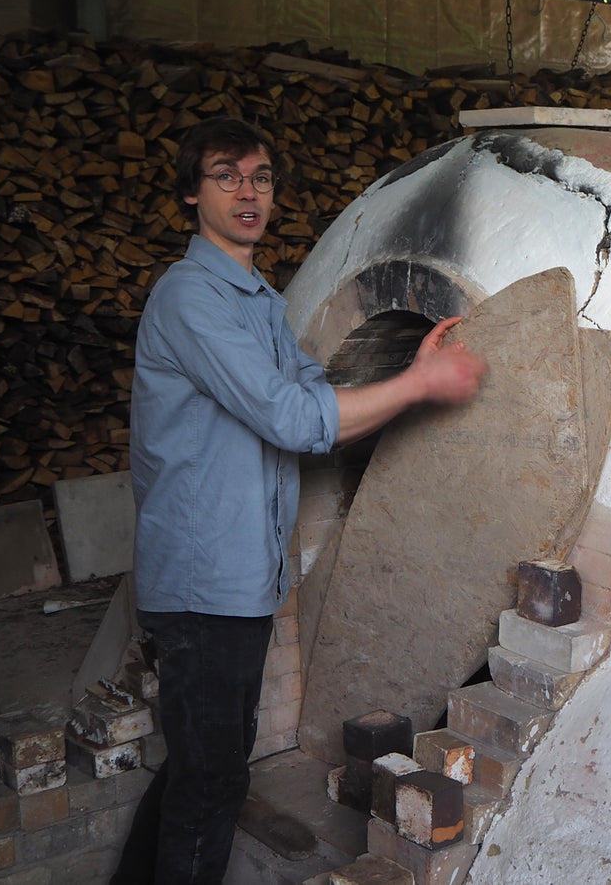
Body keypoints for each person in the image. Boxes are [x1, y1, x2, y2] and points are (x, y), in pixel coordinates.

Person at [110, 117, 486, 884]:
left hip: (237, 580)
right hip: (201, 584)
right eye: (226, 175)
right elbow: (292, 419)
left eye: (261, 178)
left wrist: (402, 372)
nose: (249, 193)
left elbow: (314, 400)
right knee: (214, 777)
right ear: (192, 193)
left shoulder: (257, 300)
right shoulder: (191, 298)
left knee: (202, 765)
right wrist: (419, 385)